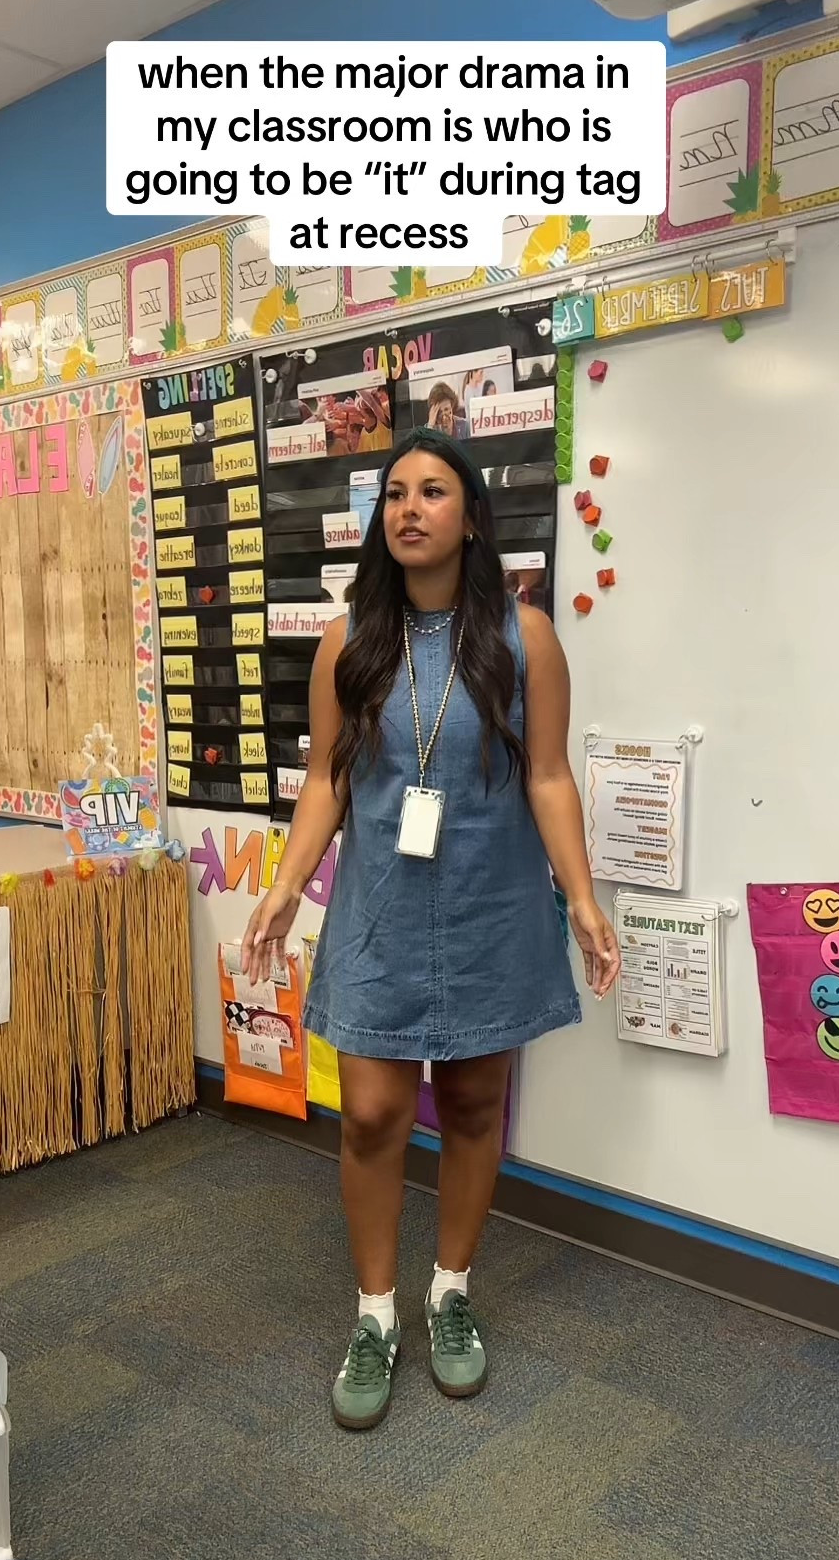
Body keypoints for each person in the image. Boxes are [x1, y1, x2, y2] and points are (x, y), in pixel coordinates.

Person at [242, 428, 619, 1431]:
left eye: (434, 491)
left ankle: (450, 1292)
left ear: (472, 517)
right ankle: (376, 1313)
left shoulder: (524, 637)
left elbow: (549, 776)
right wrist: (287, 884)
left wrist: (583, 897)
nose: (411, 509)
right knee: (370, 1113)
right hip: (382, 912)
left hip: (493, 906)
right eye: (397, 493)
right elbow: (326, 781)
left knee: (471, 1104)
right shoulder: (348, 641)